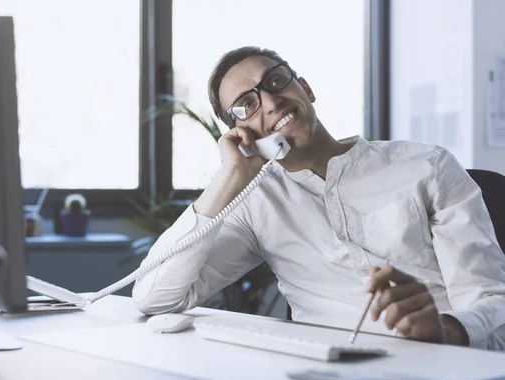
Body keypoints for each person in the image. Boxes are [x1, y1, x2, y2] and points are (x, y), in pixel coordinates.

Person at [132, 46, 505, 350]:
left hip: (448, 367)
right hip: (329, 379)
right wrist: (228, 177)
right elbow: (154, 298)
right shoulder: (257, 202)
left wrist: (445, 330)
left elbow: (493, 303)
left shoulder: (427, 165)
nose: (271, 102)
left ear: (305, 88)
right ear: (237, 133)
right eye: (247, 105)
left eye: (276, 81)